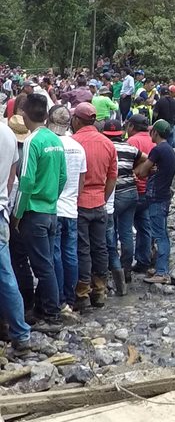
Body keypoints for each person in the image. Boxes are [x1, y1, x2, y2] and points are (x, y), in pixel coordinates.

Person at [12, 93, 66, 332]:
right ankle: (45, 308)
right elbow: (63, 176)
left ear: (24, 114)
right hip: (51, 210)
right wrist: (52, 196)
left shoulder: (33, 142)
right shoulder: (55, 140)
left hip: (34, 211)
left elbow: (25, 182)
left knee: (41, 266)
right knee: (48, 264)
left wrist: (17, 214)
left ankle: (51, 313)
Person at [71, 102, 117, 308]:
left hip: (78, 203)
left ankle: (82, 293)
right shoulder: (107, 144)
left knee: (82, 248)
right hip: (99, 202)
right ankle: (100, 290)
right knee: (100, 248)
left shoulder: (73, 142)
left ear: (77, 120)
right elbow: (112, 178)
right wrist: (103, 198)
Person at [0, 116, 34, 350]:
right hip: (1, 211)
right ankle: (20, 333)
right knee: (5, 274)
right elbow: (11, 180)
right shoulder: (8, 135)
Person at [48, 105, 85, 313]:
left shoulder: (51, 144)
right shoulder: (78, 146)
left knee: (55, 255)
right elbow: (81, 181)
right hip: (71, 207)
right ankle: (71, 298)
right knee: (70, 253)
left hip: (54, 207)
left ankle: (59, 298)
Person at [102, 118, 144, 295]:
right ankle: (126, 269)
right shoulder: (130, 148)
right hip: (131, 193)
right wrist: (134, 173)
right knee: (126, 232)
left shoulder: (105, 147)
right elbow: (147, 159)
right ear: (121, 133)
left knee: (109, 232)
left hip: (113, 194)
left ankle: (114, 270)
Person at [134, 121, 175, 283]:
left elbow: (143, 171)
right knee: (162, 232)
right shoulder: (170, 150)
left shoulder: (158, 150)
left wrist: (146, 169)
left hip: (156, 196)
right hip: (164, 195)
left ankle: (161, 271)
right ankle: (161, 267)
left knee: (160, 235)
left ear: (156, 133)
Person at [125, 114, 155, 274]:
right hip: (149, 191)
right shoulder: (153, 140)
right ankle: (144, 259)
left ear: (131, 127)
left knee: (125, 228)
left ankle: (125, 263)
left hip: (133, 189)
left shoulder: (131, 142)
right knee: (144, 226)